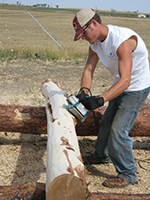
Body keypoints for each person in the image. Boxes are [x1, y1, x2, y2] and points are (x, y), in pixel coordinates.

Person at [72, 9, 150, 188]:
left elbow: (126, 80)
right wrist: (84, 91)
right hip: (121, 83)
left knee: (119, 130)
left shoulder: (122, 41)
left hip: (136, 87)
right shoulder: (95, 43)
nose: (83, 37)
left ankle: (128, 174)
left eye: (83, 33)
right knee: (106, 122)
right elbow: (89, 70)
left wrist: (100, 99)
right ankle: (101, 156)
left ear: (94, 23)